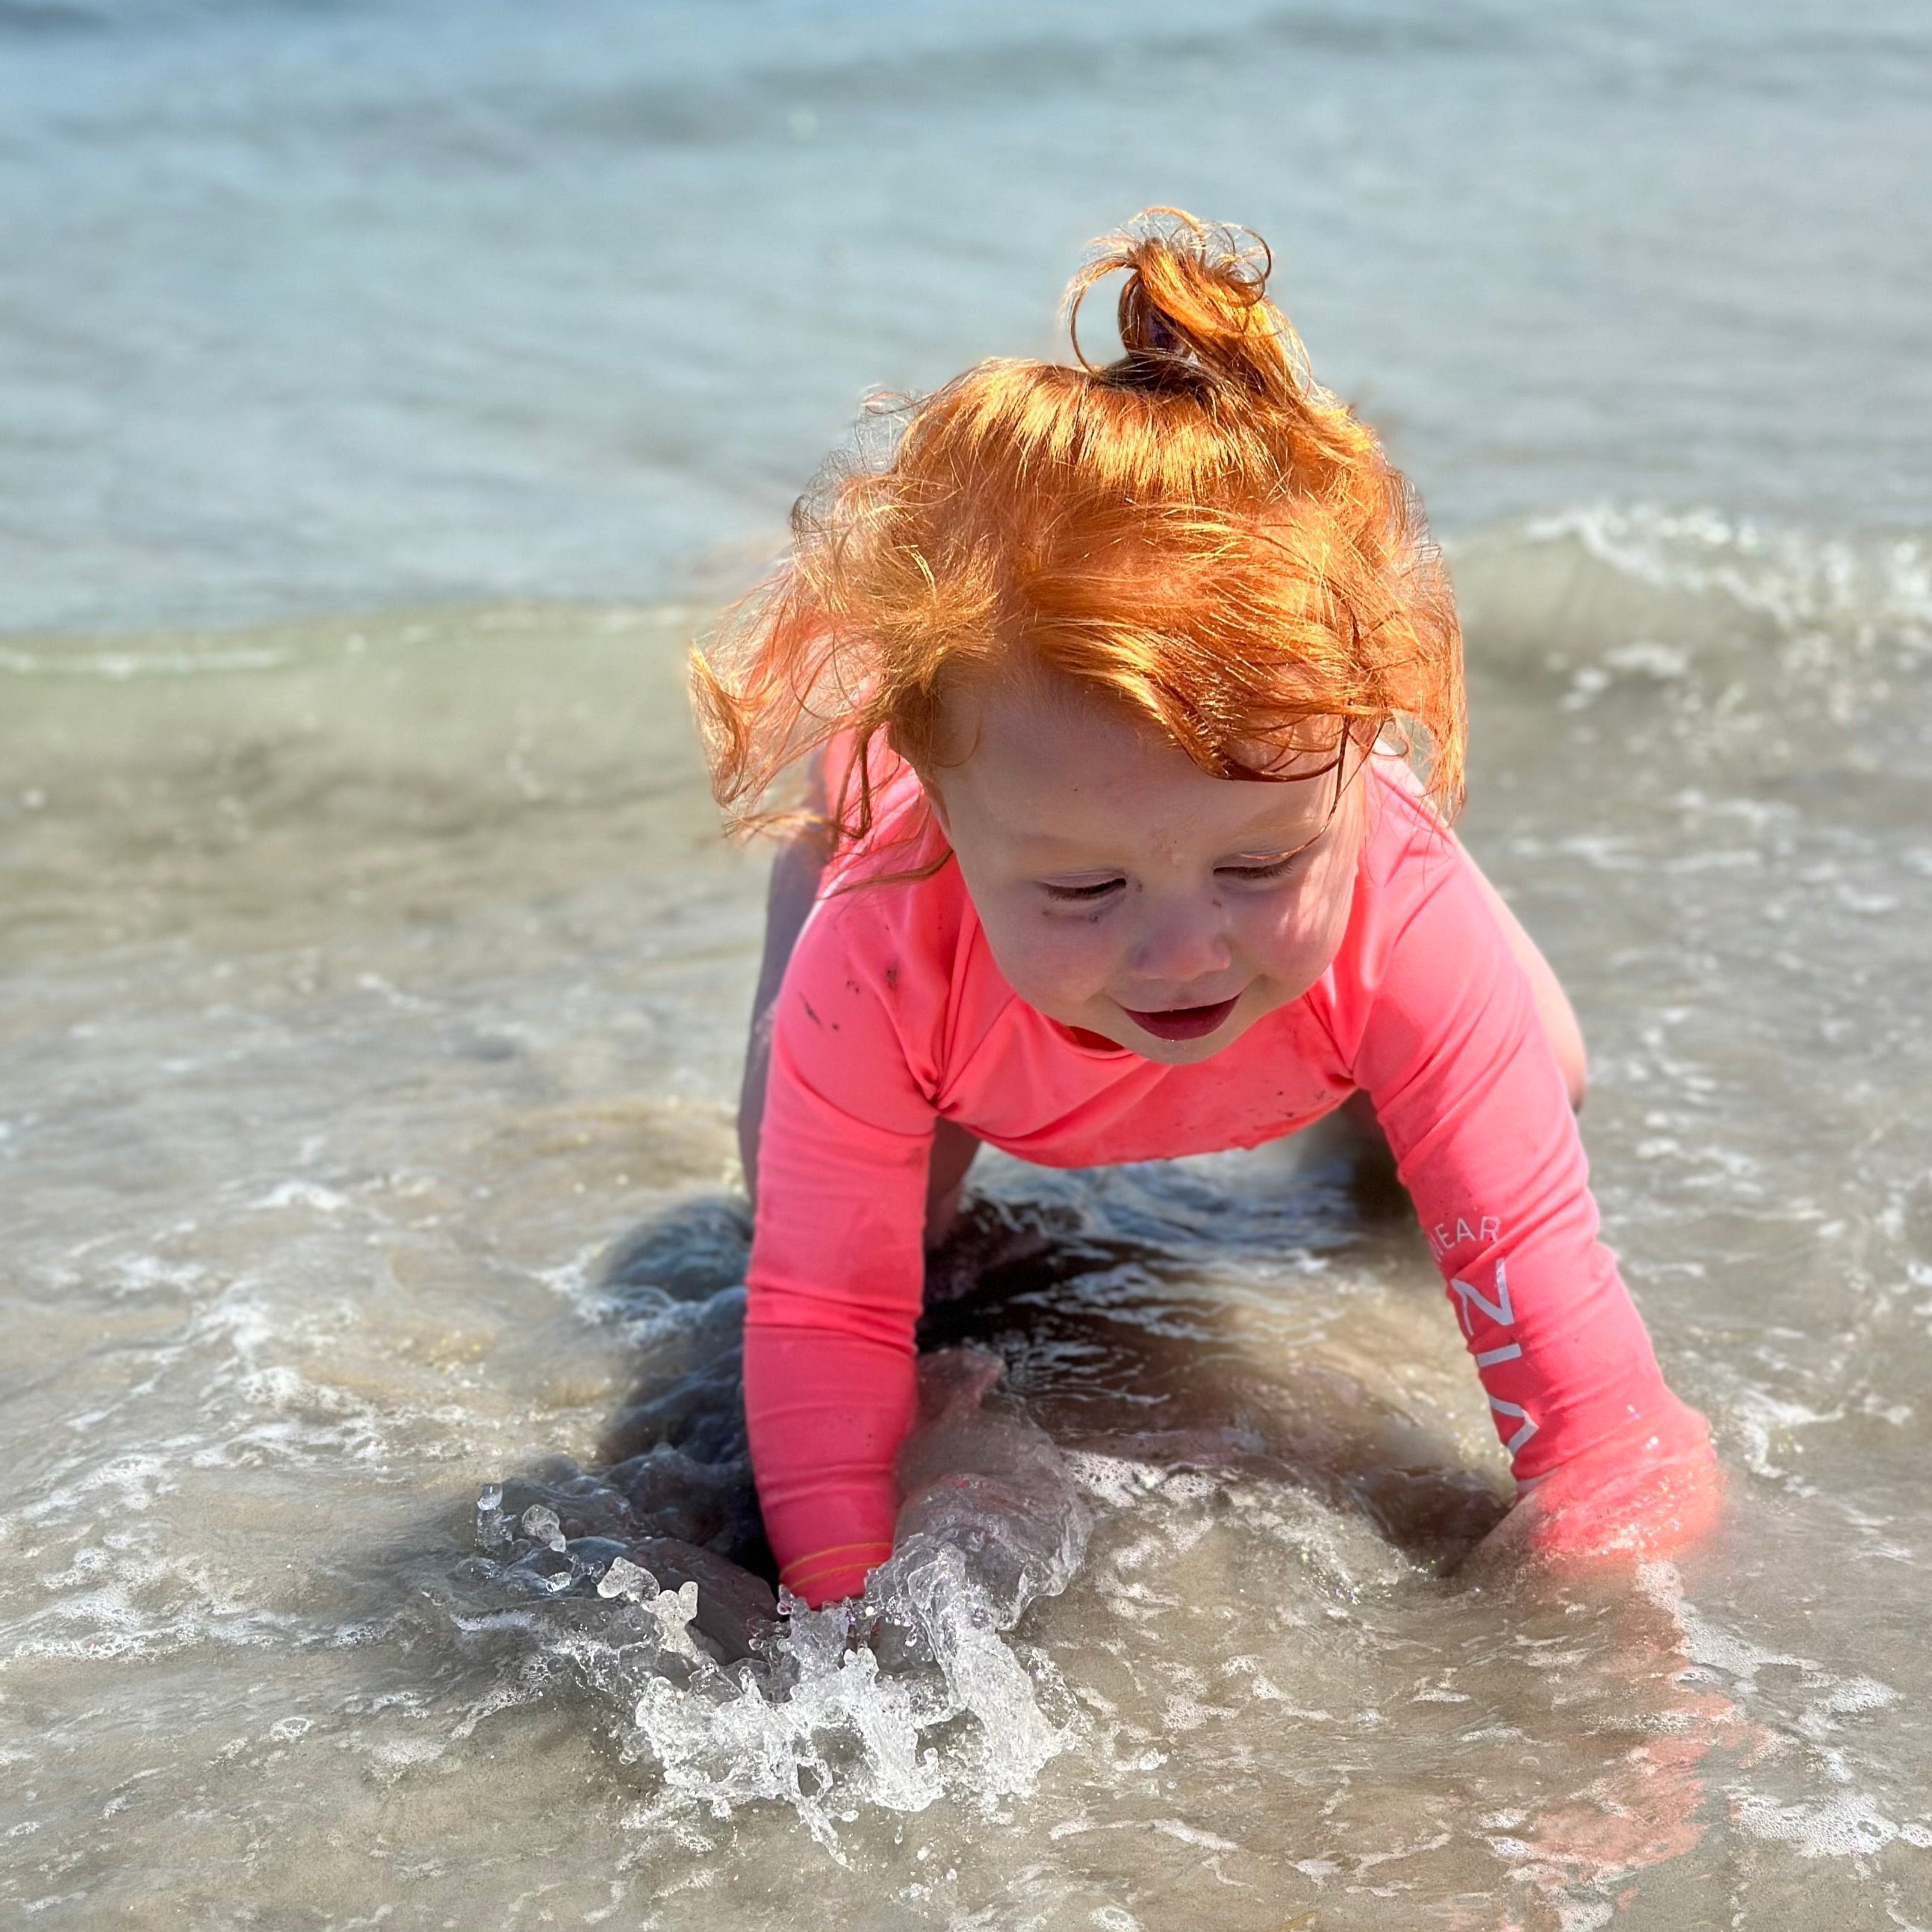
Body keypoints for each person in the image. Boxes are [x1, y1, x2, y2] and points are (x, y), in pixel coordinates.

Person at [690, 208, 1721, 1610]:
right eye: (1086, 886)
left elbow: (1608, 1423)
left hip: (1373, 923)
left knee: (1547, 1071)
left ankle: (1383, 1081)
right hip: (919, 957)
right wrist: (839, 1591)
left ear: (1363, 763)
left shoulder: (1390, 908)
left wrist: (1612, 1613)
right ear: (951, 812)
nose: (1182, 949)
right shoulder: (884, 942)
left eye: (1256, 866)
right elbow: (825, 1318)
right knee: (832, 1229)